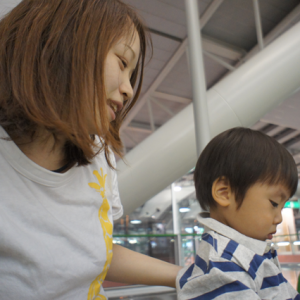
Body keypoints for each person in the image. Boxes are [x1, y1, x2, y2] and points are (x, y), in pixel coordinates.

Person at [0, 1, 181, 299]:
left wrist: (187, 275)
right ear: (63, 43)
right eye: (123, 63)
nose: (129, 89)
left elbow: (97, 248)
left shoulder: (98, 155)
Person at [176, 127, 300, 300]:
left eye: (281, 207)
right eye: (273, 203)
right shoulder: (221, 267)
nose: (279, 218)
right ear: (224, 193)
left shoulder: (243, 254)